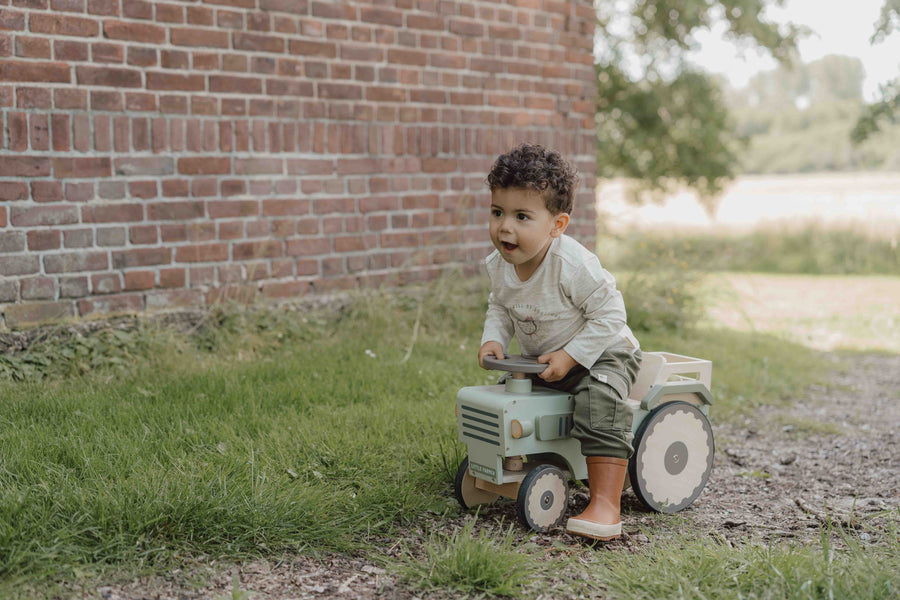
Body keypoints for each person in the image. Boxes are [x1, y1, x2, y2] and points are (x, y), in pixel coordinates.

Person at [477, 143, 642, 541]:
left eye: (521, 216)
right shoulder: (499, 266)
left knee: (599, 400)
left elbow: (611, 315)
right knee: (509, 399)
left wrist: (572, 356)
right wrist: (493, 340)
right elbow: (499, 307)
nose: (505, 228)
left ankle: (605, 502)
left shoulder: (571, 264)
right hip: (548, 359)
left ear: (558, 224)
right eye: (497, 212)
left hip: (603, 352)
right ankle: (515, 470)